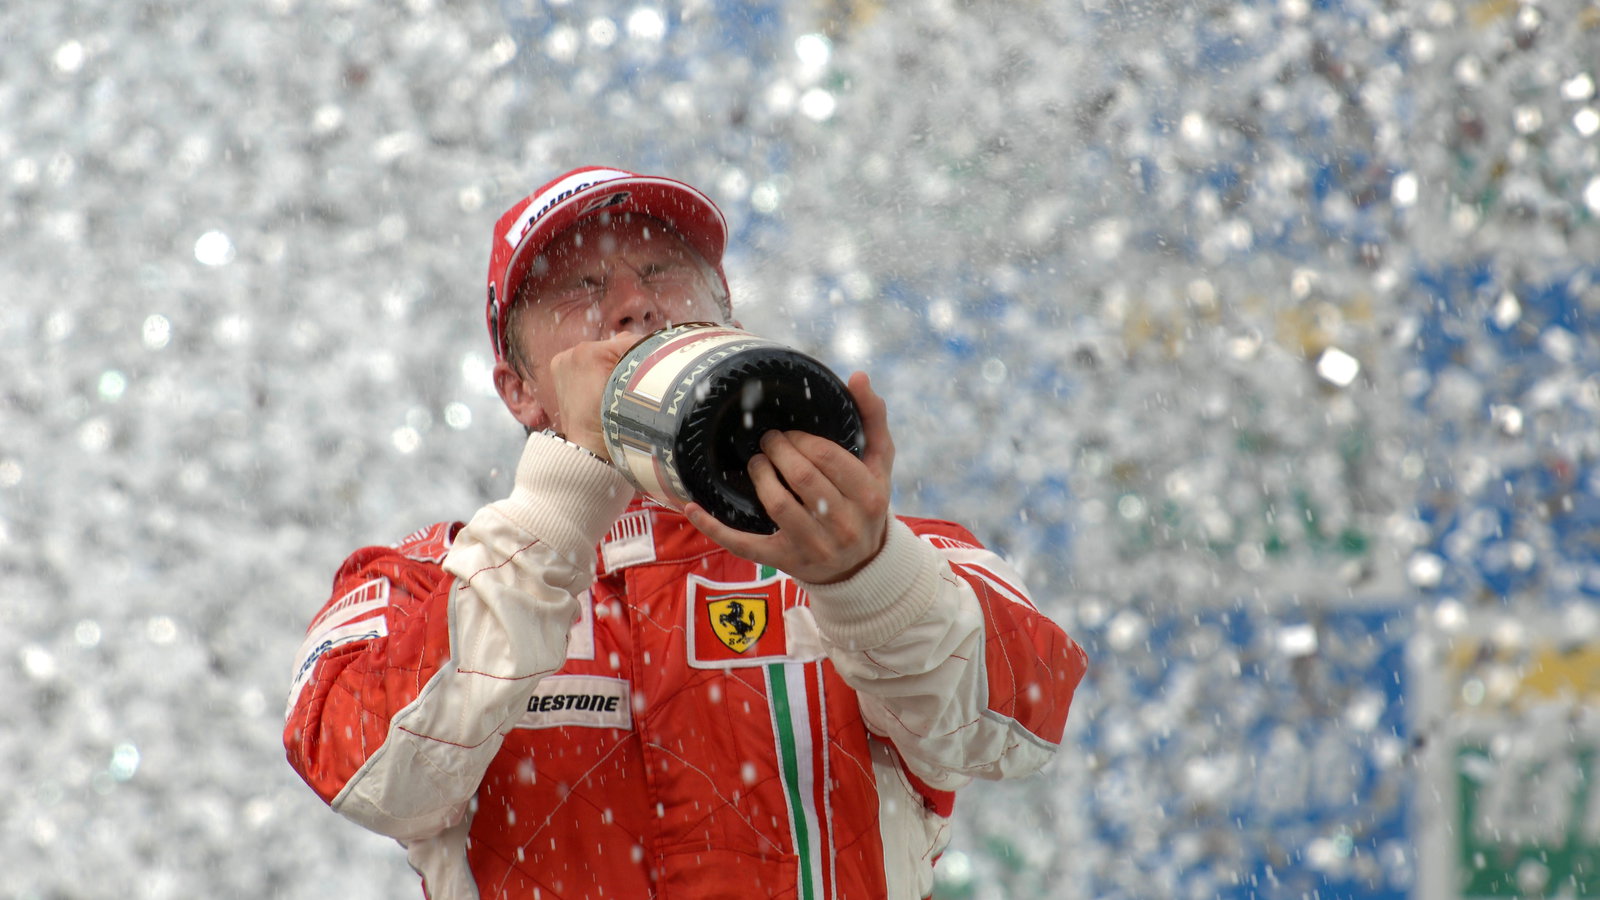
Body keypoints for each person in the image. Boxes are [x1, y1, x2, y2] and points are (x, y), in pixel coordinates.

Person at [283, 165, 1088, 900]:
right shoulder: (422, 581)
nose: (634, 304)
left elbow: (1021, 724)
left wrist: (865, 576)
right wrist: (564, 490)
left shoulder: (877, 548)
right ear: (519, 390)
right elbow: (373, 776)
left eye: (664, 271)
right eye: (581, 285)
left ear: (726, 316)